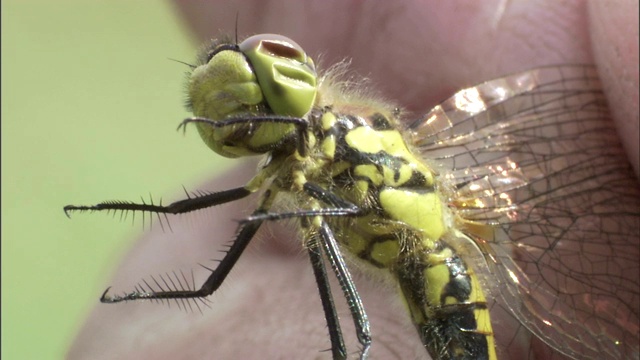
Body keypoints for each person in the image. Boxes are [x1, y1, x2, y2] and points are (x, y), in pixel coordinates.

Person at [68, 1, 639, 359]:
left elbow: (380, 209)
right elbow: (194, 246)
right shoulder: (290, 178)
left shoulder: (344, 150)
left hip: (444, 276)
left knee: (358, 342)